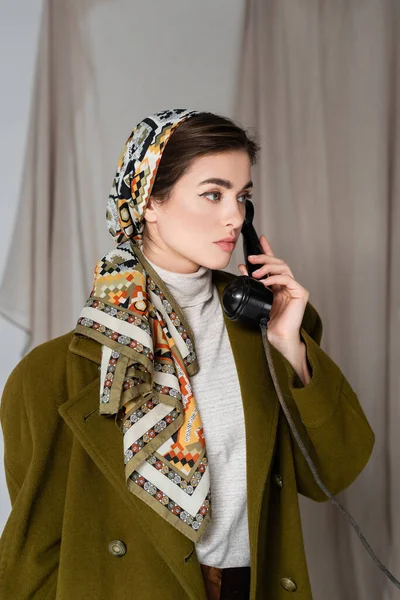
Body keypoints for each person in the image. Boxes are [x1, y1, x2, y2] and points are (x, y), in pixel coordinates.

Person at [0, 109, 375, 600]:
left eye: (243, 198)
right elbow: (34, 551)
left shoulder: (266, 333)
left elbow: (331, 475)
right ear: (150, 200)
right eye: (213, 194)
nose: (235, 217)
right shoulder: (50, 376)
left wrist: (292, 346)